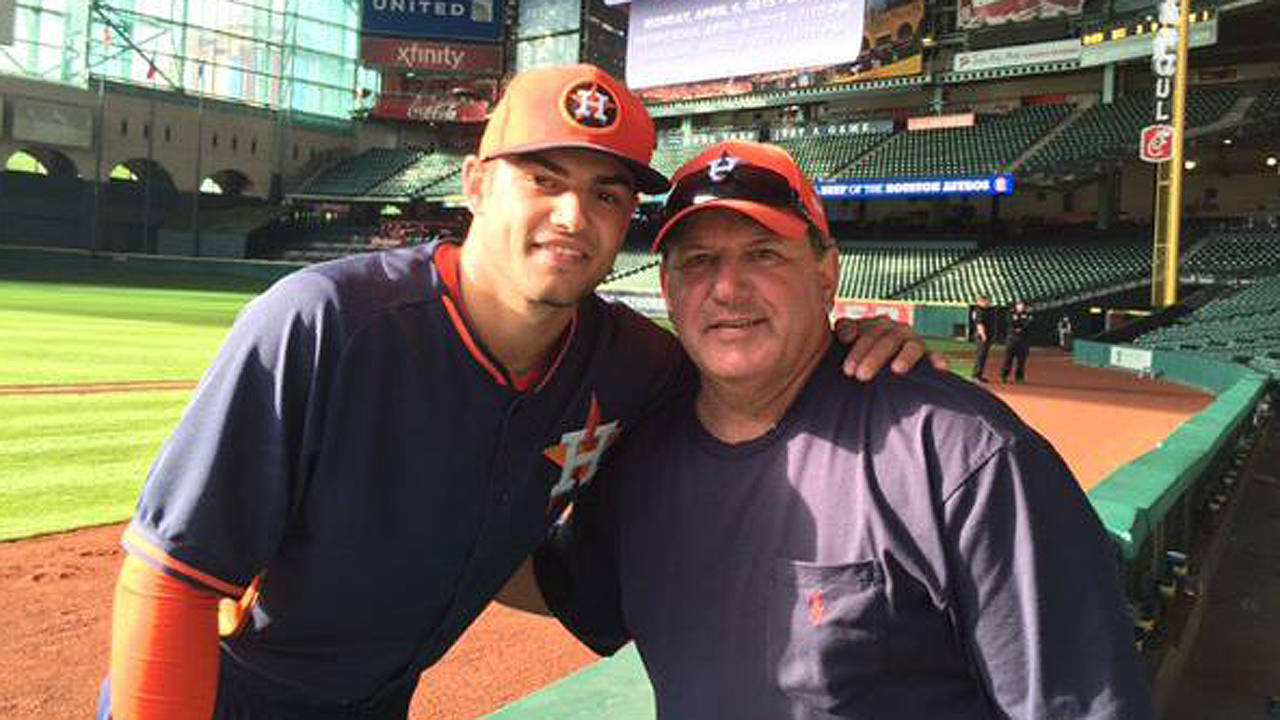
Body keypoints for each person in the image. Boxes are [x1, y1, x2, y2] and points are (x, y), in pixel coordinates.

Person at [98, 66, 937, 720]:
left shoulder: (634, 363)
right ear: (473, 184)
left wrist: (847, 346)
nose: (575, 214)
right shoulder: (325, 323)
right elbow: (170, 578)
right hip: (220, 694)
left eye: (607, 194)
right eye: (543, 177)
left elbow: (763, 370)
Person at [534, 140, 1155, 720]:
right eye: (699, 261)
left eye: (764, 253)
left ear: (827, 274)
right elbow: (558, 588)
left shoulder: (962, 452)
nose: (726, 288)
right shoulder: (642, 451)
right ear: (667, 288)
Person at [1001, 298, 1033, 383]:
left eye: (1022, 304)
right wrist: (1018, 326)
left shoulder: (1028, 314)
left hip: (1023, 340)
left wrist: (1020, 327)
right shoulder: (1010, 313)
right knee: (1008, 359)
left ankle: (1019, 377)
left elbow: (1027, 324)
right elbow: (1010, 323)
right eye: (1019, 304)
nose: (1021, 306)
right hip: (1012, 339)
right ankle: (1004, 376)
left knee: (1021, 361)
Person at [970, 294, 996, 382]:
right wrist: (983, 334)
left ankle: (979, 374)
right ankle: (975, 375)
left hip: (986, 334)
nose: (988, 302)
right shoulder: (979, 310)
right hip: (981, 335)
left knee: (983, 356)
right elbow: (979, 324)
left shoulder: (985, 310)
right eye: (986, 301)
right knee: (980, 355)